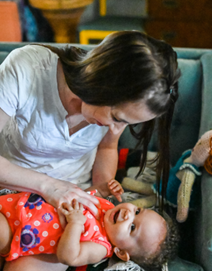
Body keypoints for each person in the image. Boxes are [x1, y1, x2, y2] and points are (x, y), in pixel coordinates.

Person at [0, 30, 180, 270]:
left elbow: (107, 147)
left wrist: (104, 187)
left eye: (127, 123)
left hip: (70, 208)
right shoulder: (29, 70)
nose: (116, 129)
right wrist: (50, 187)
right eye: (117, 117)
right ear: (101, 81)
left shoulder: (97, 240)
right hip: (11, 188)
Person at [0, 180, 179, 271]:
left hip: (18, 233)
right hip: (18, 204)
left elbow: (69, 257)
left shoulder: (100, 246)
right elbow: (87, 194)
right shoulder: (107, 207)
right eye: (138, 211)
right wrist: (104, 189)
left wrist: (75, 224)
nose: (128, 214)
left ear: (121, 252)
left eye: (132, 227)